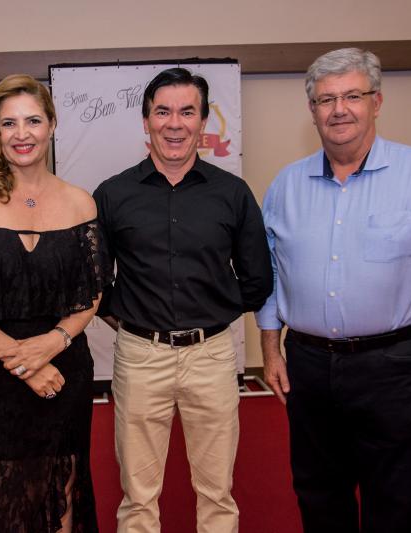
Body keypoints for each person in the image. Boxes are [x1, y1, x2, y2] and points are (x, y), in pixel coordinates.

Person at [256, 48, 411, 533]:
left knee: (396, 501)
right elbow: (271, 273)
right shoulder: (286, 185)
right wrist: (271, 350)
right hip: (308, 367)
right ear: (312, 110)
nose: (339, 110)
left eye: (352, 96)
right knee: (318, 494)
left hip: (395, 367)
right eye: (326, 100)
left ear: (376, 102)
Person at [93, 67, 273, 533]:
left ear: (203, 122)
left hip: (212, 356)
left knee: (217, 492)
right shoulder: (113, 195)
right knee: (138, 497)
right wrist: (130, 319)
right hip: (140, 356)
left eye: (187, 112)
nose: (175, 124)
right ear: (146, 121)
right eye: (163, 112)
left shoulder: (232, 194)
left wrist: (213, 310)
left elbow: (257, 278)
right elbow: (94, 281)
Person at [0, 74, 108, 532]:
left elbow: (91, 295)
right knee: (5, 498)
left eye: (32, 120)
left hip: (64, 372)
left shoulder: (80, 203)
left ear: (51, 124)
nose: (21, 133)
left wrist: (53, 343)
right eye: (9, 123)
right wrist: (26, 364)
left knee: (64, 490)